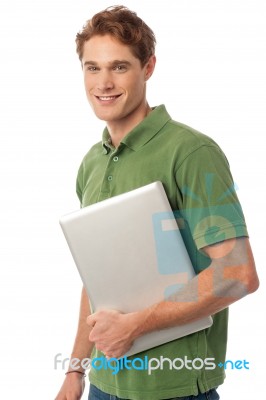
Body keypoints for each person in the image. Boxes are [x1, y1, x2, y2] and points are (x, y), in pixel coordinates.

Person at [55, 5, 259, 400]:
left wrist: (134, 325)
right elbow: (98, 281)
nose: (104, 82)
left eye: (119, 66)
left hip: (174, 387)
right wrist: (77, 369)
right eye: (92, 68)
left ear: (148, 68)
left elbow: (238, 273)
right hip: (103, 383)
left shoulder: (191, 152)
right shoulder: (91, 164)